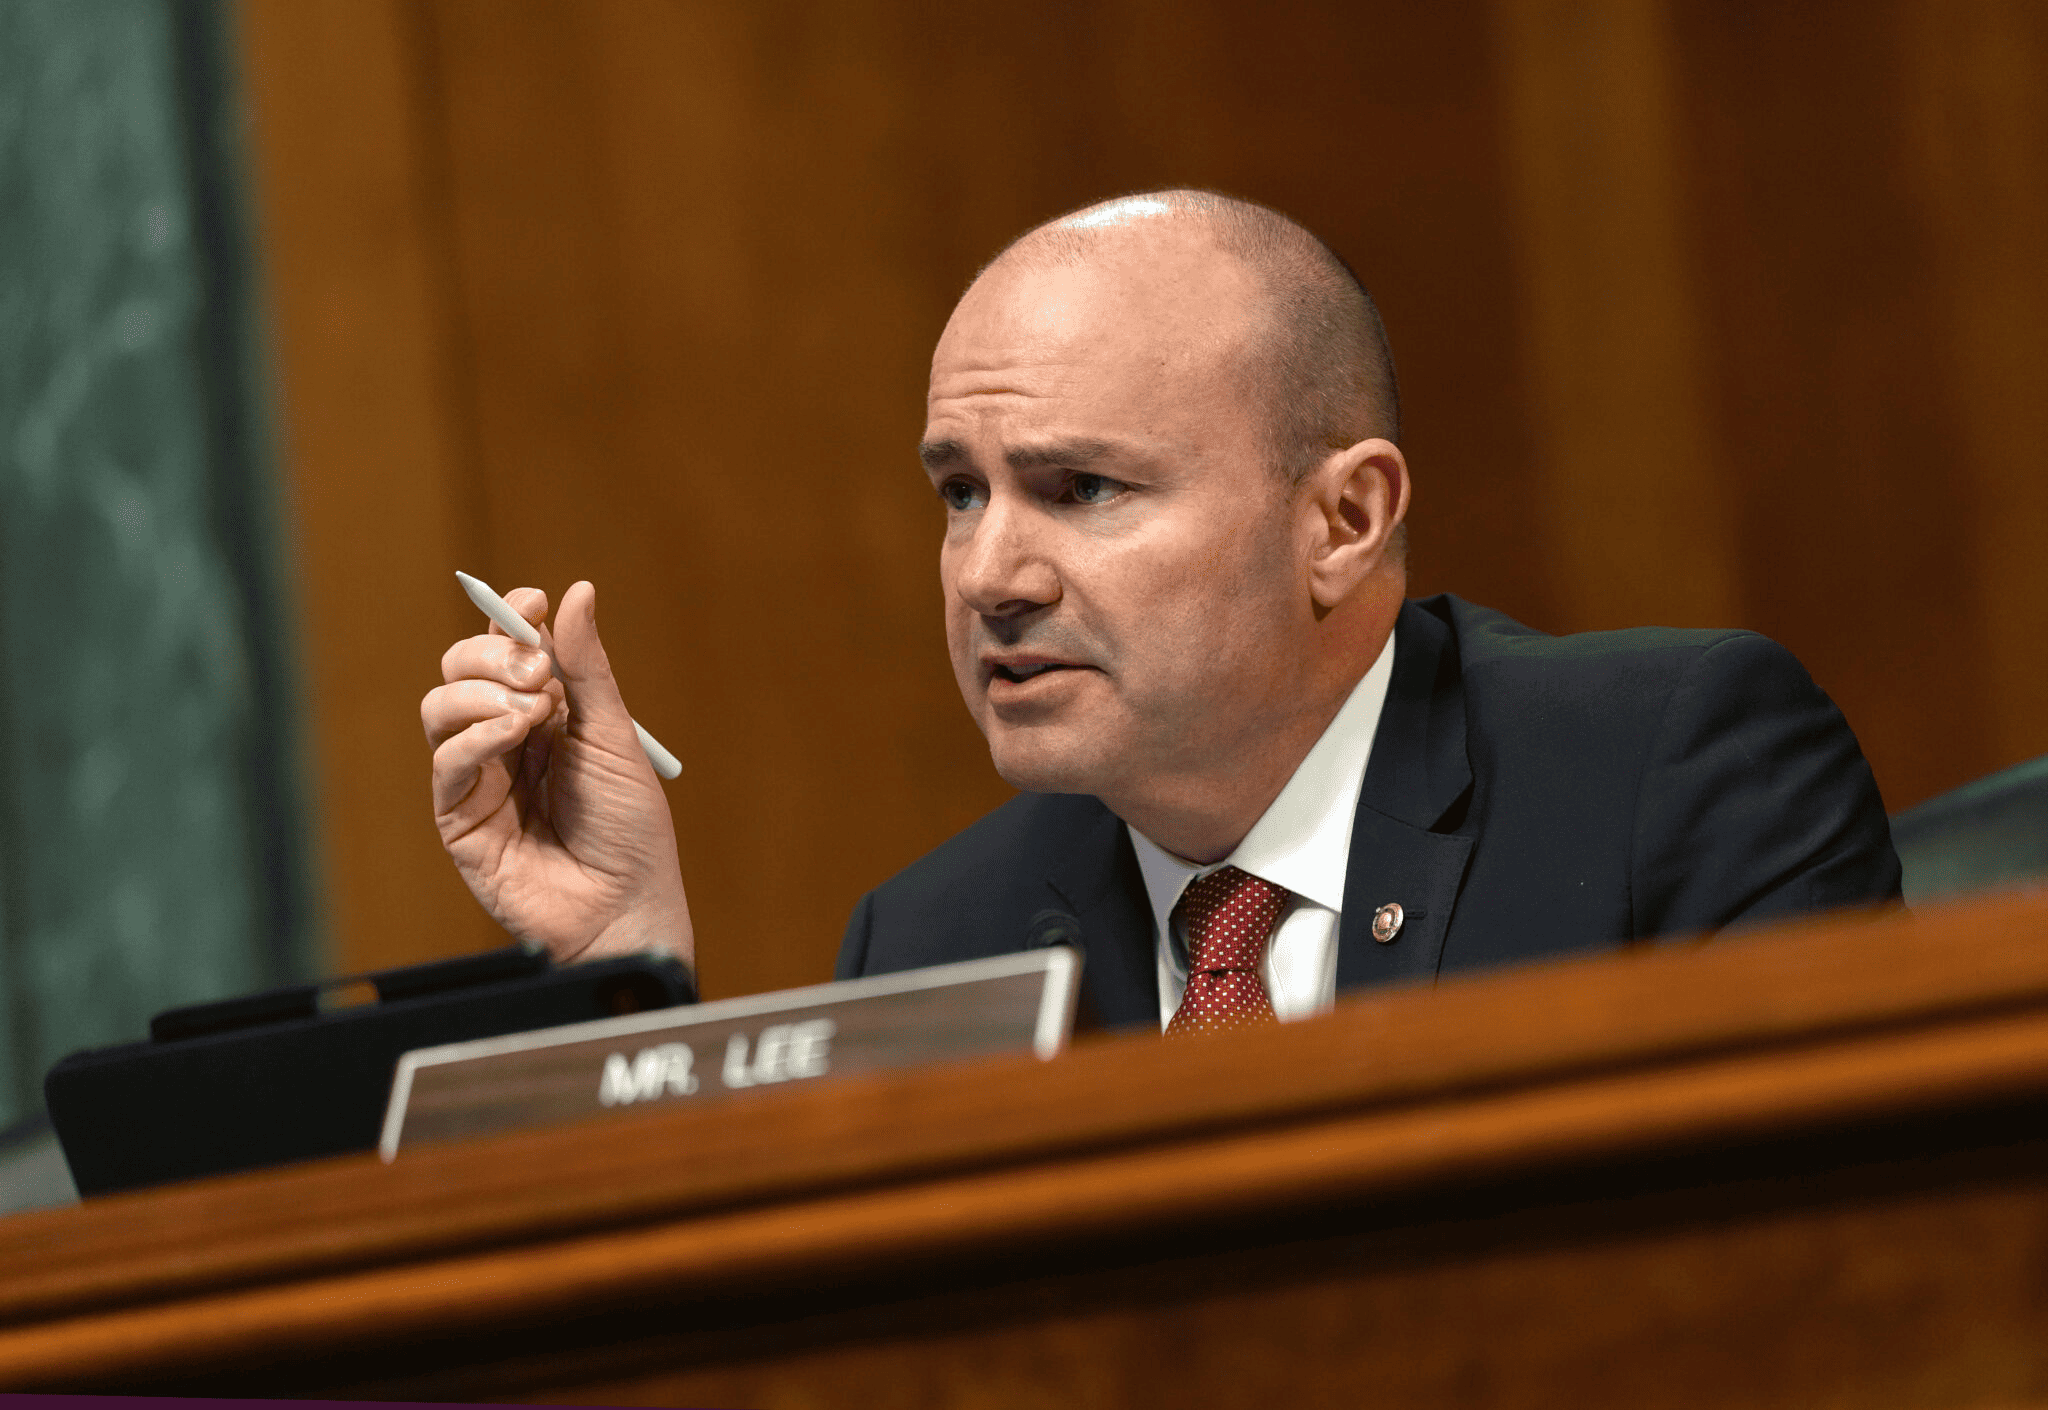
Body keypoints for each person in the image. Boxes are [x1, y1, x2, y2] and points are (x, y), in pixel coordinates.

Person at [421, 190, 1900, 1034]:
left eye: (1082, 488)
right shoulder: (937, 942)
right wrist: (627, 964)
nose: (990, 574)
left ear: (1344, 520)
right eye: (960, 492)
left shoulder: (1663, 777)